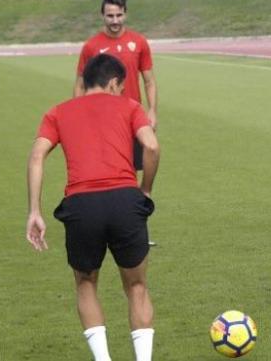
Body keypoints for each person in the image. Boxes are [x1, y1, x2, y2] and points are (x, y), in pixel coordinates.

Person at [26, 54, 160, 361]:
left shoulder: (58, 112)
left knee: (86, 283)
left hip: (81, 204)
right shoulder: (130, 106)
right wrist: (146, 189)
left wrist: (35, 210)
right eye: (121, 86)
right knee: (137, 285)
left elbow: (37, 157)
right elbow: (151, 145)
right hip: (125, 199)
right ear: (114, 83)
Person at [74, 0, 158, 170]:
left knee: (133, 167)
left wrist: (151, 111)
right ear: (102, 16)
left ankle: (136, 196)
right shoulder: (91, 46)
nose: (115, 21)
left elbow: (149, 82)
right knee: (105, 166)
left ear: (125, 14)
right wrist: (79, 115)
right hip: (101, 117)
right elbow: (80, 85)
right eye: (110, 16)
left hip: (131, 115)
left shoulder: (139, 42)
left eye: (119, 15)